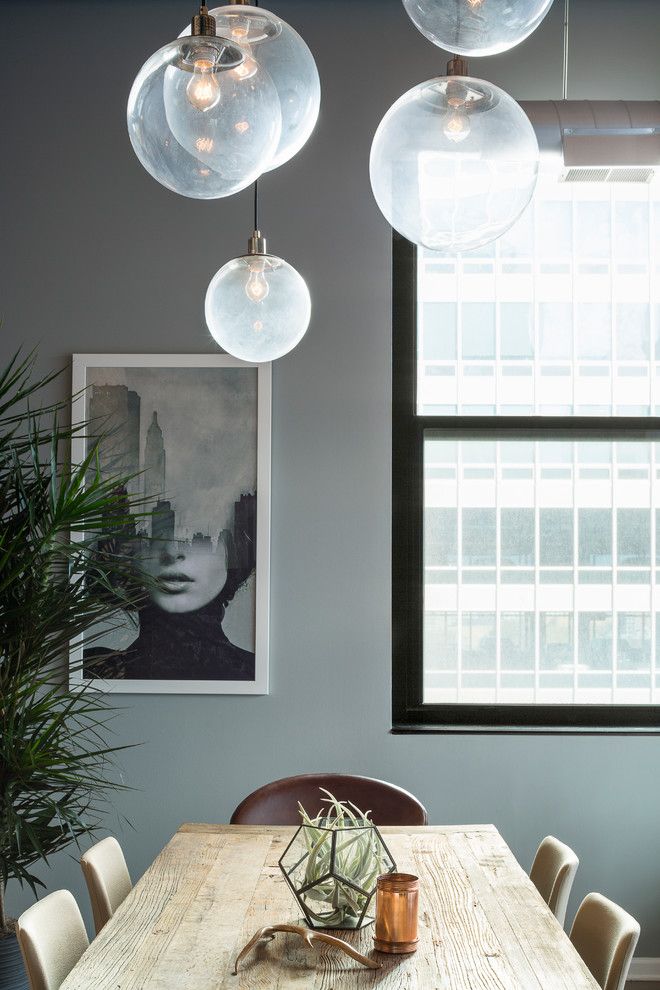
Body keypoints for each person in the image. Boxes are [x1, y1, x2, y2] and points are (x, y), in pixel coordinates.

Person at [84, 493, 256, 681]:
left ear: (234, 552)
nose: (172, 552)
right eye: (152, 539)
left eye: (197, 540)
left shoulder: (255, 672)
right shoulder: (91, 671)